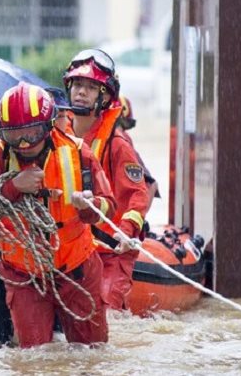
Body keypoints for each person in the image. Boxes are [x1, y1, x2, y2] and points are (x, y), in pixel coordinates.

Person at [0, 82, 115, 348]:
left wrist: (90, 208)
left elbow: (109, 206)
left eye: (32, 133)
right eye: (15, 135)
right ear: (3, 132)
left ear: (48, 126)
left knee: (93, 353)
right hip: (24, 274)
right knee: (34, 357)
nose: (24, 143)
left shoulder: (78, 153)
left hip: (77, 270)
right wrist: (13, 187)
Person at [63, 49, 154, 311]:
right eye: (77, 84)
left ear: (104, 97)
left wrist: (124, 234)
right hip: (71, 249)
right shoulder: (57, 136)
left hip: (111, 251)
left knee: (103, 313)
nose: (81, 92)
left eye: (91, 88)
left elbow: (138, 197)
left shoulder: (117, 143)